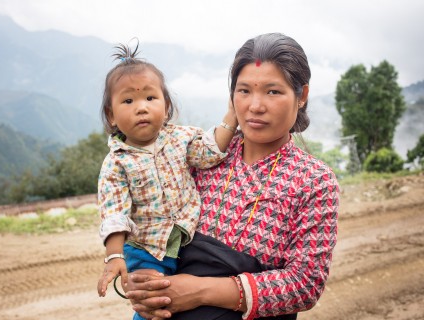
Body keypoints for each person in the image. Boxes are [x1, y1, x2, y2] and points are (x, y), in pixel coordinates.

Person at [124, 33, 340, 320]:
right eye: (244, 91)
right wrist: (146, 278)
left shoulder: (314, 180)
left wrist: (200, 291)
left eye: (273, 92)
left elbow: (304, 284)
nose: (255, 106)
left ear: (301, 96)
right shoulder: (202, 156)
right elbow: (152, 219)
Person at [96, 41, 238, 320]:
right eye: (128, 101)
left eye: (150, 98)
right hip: (146, 249)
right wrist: (114, 256)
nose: (141, 108)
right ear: (112, 116)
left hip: (186, 240)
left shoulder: (180, 138)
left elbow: (209, 152)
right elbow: (114, 212)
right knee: (155, 304)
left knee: (184, 304)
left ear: (167, 105)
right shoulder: (116, 163)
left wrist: (231, 118)